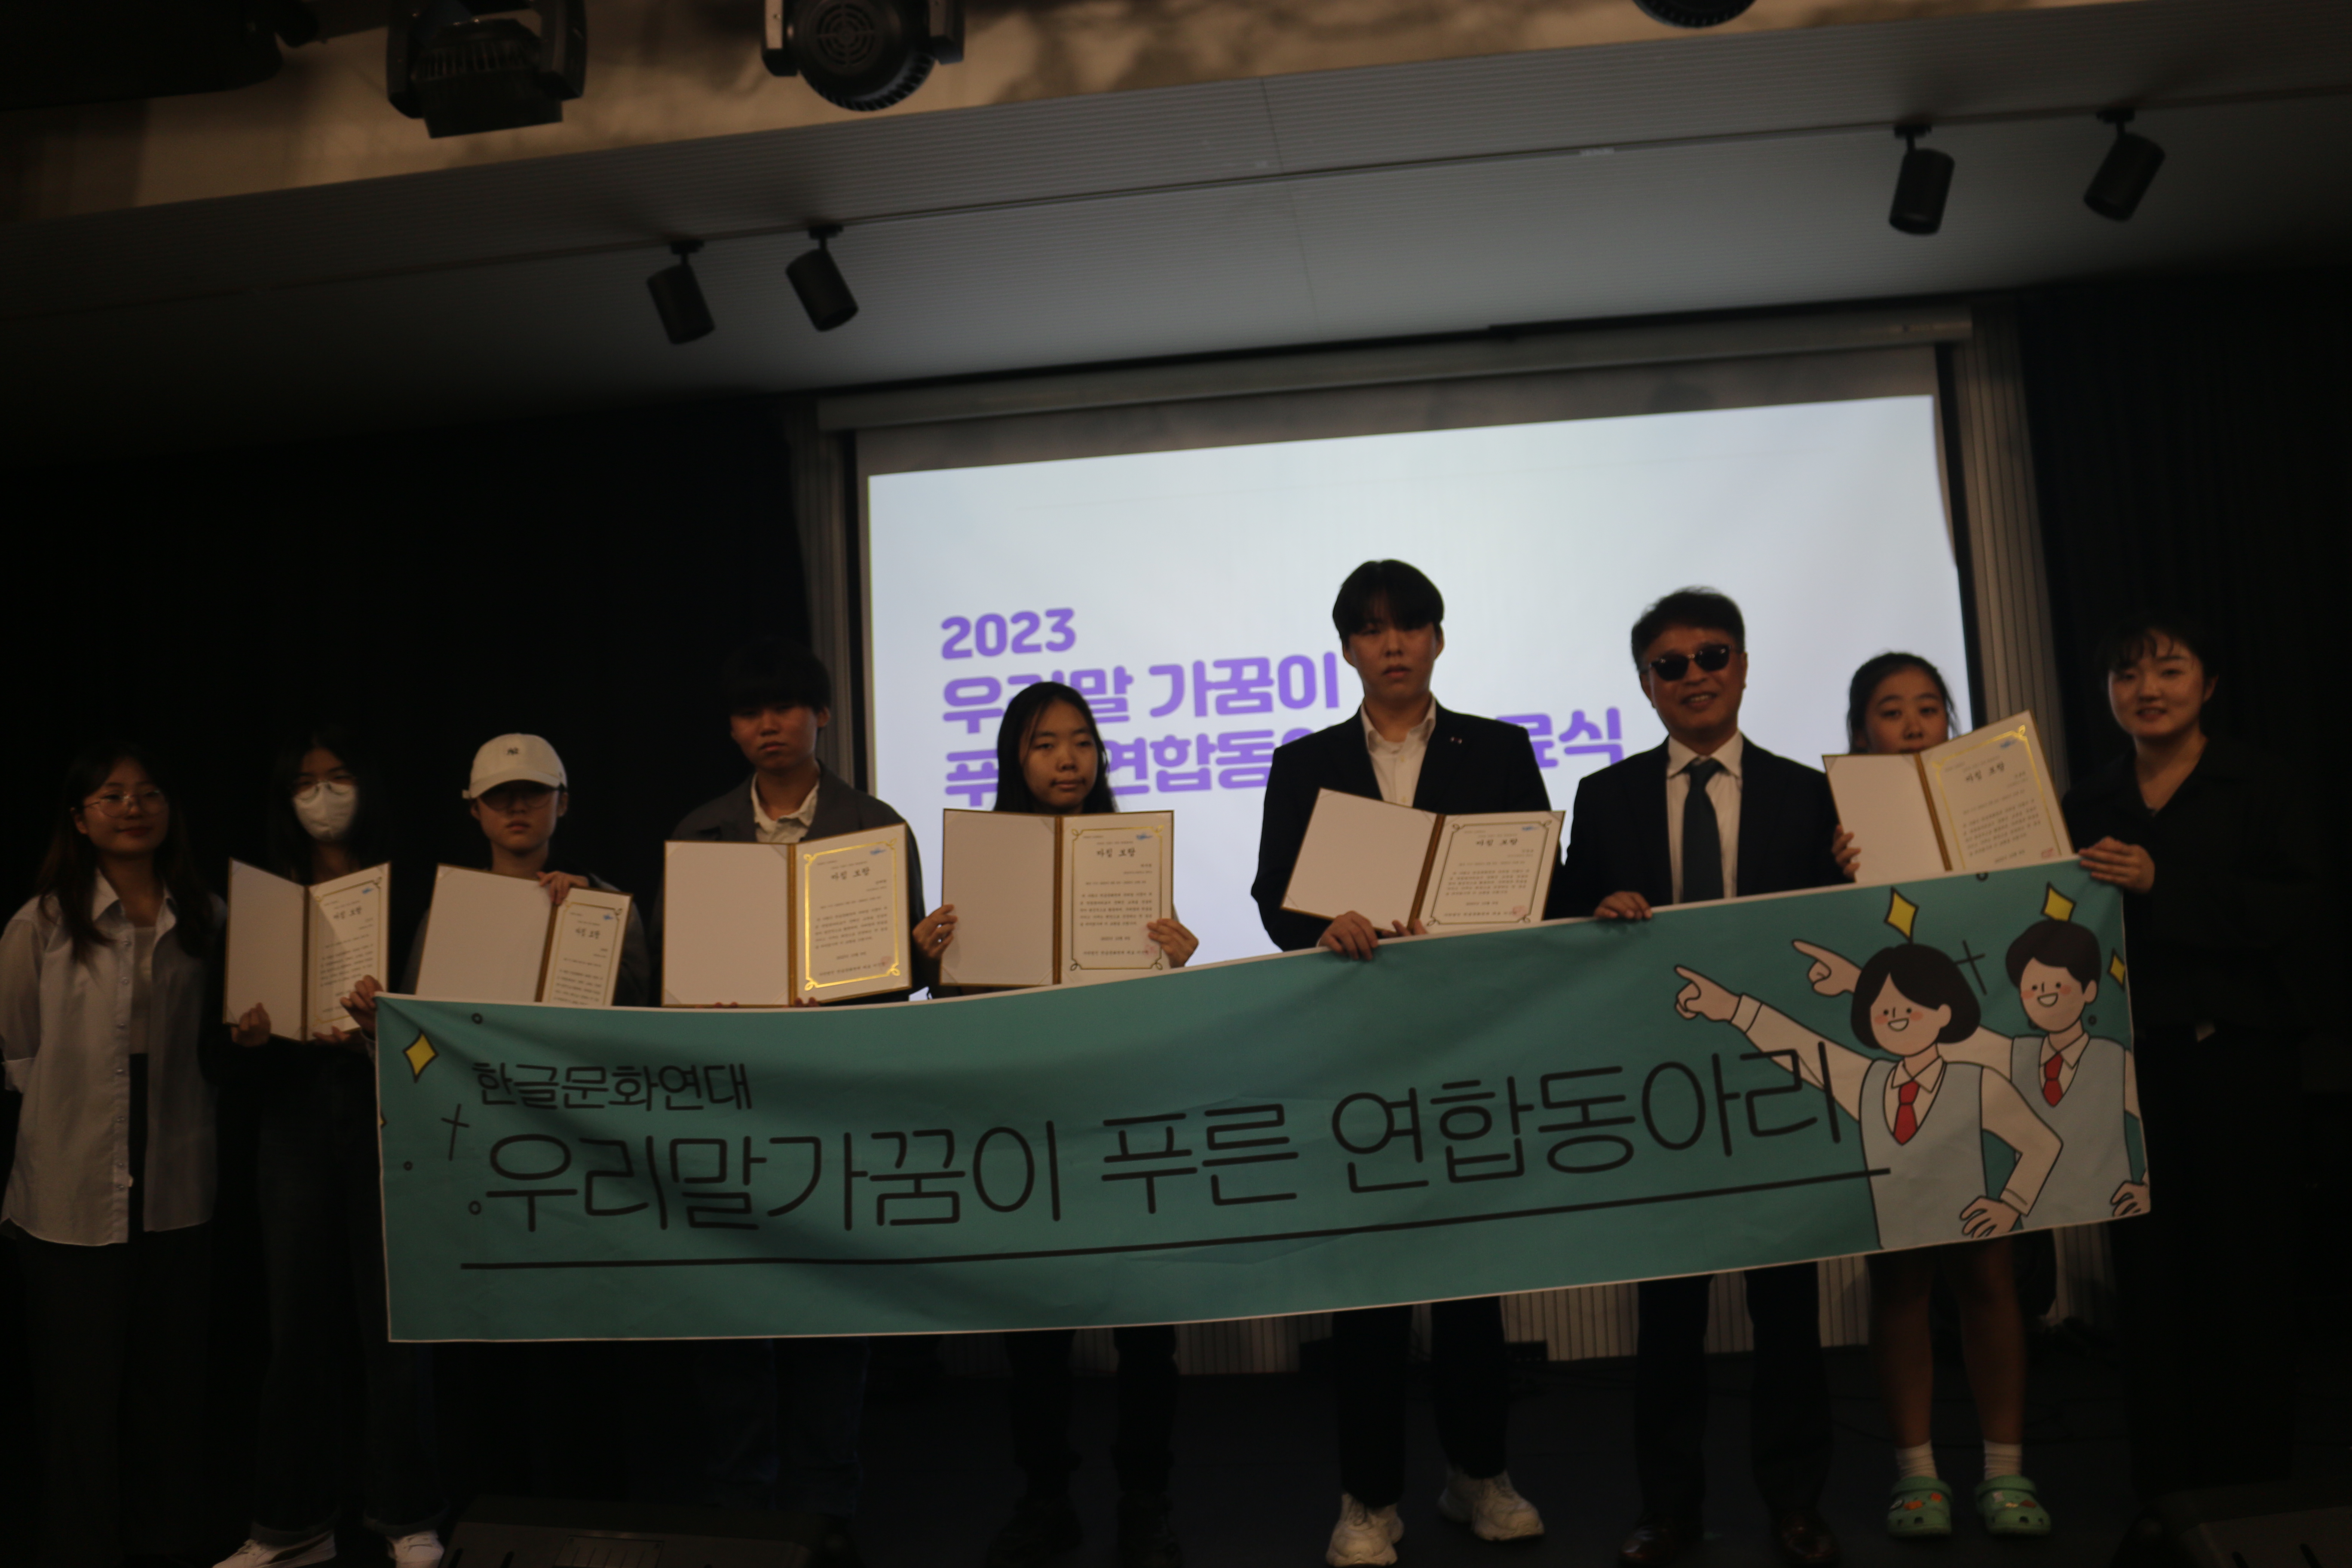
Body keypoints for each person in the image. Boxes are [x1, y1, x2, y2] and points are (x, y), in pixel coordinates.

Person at [1251, 559, 1550, 1567]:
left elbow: (1536, 884)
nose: (1392, 645)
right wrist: (1320, 922)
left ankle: (1479, 1475)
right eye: (1372, 629)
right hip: (1357, 1056)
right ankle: (1368, 1498)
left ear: (1437, 639)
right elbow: (1272, 898)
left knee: (1470, 1279)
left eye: (1409, 626)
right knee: (1369, 1285)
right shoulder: (1306, 762)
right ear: (1346, 648)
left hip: (1468, 1047)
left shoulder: (1497, 751)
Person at [1550, 588, 1842, 1568]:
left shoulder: (1809, 794)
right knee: (1668, 1319)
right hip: (1661, 1089)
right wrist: (1595, 907)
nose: (1693, 676)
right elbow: (1562, 918)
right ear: (1645, 684)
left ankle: (1795, 1506)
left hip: (1778, 1085)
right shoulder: (1605, 796)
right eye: (1668, 665)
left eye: (1711, 655)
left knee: (1786, 1312)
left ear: (1744, 666)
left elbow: (1835, 931)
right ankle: (1668, 1511)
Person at [652, 637, 938, 1567]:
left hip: (833, 1101)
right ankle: (742, 1509)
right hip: (728, 1105)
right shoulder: (699, 832)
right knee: (731, 1316)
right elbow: (668, 978)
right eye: (748, 711)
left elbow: (901, 978)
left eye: (782, 706)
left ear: (822, 714)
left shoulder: (876, 825)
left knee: (830, 1310)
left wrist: (907, 962)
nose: (766, 725)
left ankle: (826, 1510)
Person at [924, 681, 1199, 1568]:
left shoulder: (1129, 856)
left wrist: (1176, 963)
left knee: (1146, 1333)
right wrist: (938, 962)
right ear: (1015, 756)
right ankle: (1046, 1498)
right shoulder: (981, 869)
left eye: (1081, 740)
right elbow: (961, 1014)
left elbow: (1157, 1013)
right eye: (1045, 743)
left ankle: (1145, 1499)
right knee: (1036, 1335)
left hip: (1125, 1121)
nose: (1067, 759)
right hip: (1029, 1130)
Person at [2061, 615, 2315, 1502]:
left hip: (2239, 1066)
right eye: (2127, 674)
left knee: (2246, 1277)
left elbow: (2295, 909)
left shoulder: (2262, 783)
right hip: (2127, 1073)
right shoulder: (2086, 802)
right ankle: (2164, 1496)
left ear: (2207, 686)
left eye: (2169, 670)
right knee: (2149, 1284)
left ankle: (2252, 1494)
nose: (2148, 690)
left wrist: (2161, 883)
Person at [1827, 652, 2056, 1540]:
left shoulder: (1997, 811)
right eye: (1891, 711)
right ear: (1860, 732)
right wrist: (1836, 872)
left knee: (1990, 1272)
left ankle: (2005, 1471)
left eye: (1930, 707)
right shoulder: (1834, 822)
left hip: (1982, 1064)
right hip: (1892, 1075)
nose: (1914, 724)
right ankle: (1916, 1474)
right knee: (1901, 1278)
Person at [3, 744, 244, 1568]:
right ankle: (79, 1547)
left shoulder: (208, 914)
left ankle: (165, 1541)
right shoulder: (40, 921)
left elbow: (224, 1034)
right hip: (72, 1171)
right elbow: (18, 1052)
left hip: (177, 1164)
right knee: (77, 1388)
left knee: (169, 1381)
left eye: (148, 793)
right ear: (80, 818)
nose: (133, 807)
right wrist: (71, 1121)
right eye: (111, 795)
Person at [214, 726, 446, 1568]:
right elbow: (224, 1046)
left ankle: (407, 1516)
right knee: (296, 1333)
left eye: (339, 776)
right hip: (294, 1116)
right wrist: (248, 1037)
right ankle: (290, 1525)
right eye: (305, 782)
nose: (323, 795)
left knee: (397, 1333)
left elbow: (446, 1032)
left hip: (391, 1117)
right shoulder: (262, 899)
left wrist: (386, 1028)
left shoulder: (412, 889)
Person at [399, 732, 651, 1006]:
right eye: (498, 792)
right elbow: (415, 1014)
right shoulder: (447, 910)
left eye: (534, 791)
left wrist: (588, 923)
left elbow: (635, 1013)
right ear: (475, 807)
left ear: (562, 803)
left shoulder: (610, 906)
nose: (517, 807)